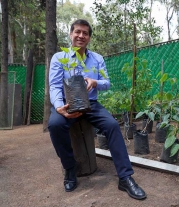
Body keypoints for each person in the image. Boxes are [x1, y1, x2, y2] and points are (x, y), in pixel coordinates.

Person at [48, 19, 146, 200]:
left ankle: (125, 177)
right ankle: (70, 168)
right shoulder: (59, 58)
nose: (81, 36)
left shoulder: (97, 59)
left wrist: (95, 82)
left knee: (113, 126)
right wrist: (59, 107)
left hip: (91, 104)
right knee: (54, 125)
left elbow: (107, 83)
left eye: (85, 33)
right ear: (71, 34)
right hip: (67, 103)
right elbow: (54, 86)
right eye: (77, 32)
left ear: (89, 38)